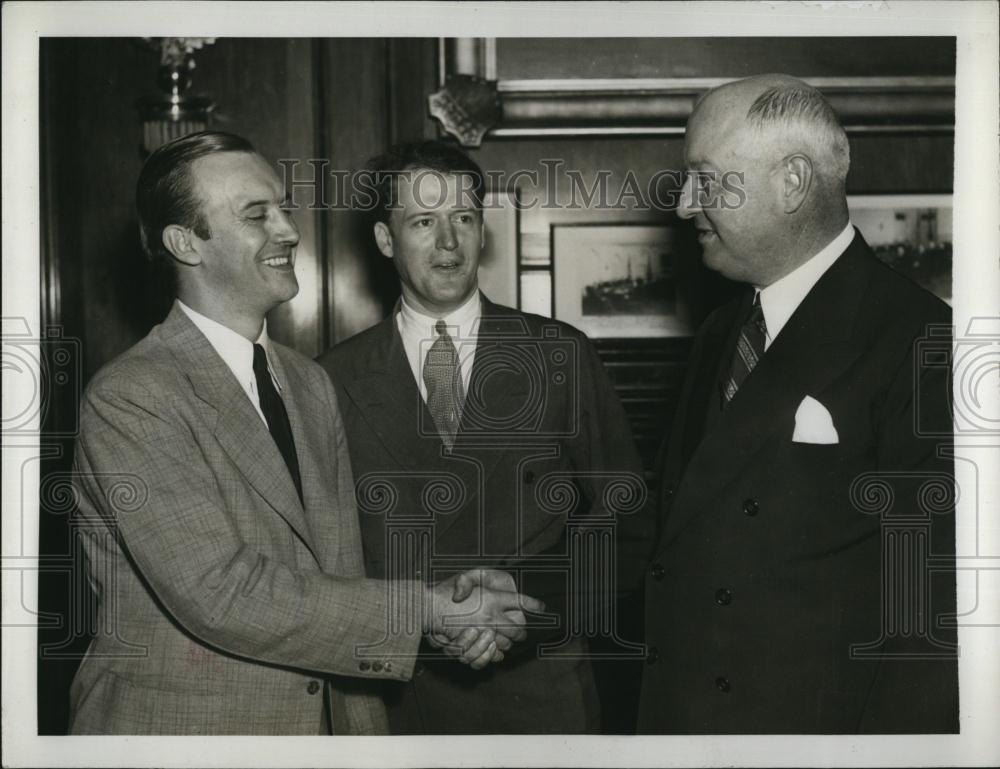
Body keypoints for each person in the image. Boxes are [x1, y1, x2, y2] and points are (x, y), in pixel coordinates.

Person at [68, 131, 542, 735]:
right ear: (184, 243)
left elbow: (338, 572)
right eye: (256, 215)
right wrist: (424, 611)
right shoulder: (134, 397)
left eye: (283, 208)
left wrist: (442, 608)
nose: (289, 230)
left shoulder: (309, 382)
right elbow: (221, 593)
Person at [637, 74, 958, 733]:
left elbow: (930, 620)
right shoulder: (721, 334)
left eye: (706, 179)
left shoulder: (922, 340)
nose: (685, 205)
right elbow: (672, 534)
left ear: (791, 181)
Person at [318, 140, 653, 734]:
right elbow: (321, 558)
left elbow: (628, 525)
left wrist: (526, 612)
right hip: (402, 699)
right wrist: (423, 619)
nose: (449, 243)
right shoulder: (330, 379)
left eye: (464, 219)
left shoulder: (559, 355)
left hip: (541, 694)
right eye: (424, 221)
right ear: (385, 240)